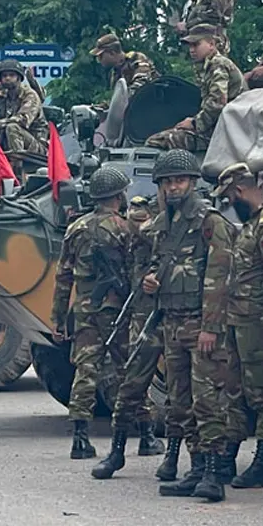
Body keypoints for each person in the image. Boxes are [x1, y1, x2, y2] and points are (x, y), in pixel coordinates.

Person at [145, 149, 237, 503]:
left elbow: (220, 278)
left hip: (201, 325)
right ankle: (196, 468)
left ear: (193, 182)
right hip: (173, 322)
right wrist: (149, 281)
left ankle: (214, 473)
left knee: (207, 400)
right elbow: (155, 265)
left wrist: (211, 328)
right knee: (179, 401)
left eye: (179, 180)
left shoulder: (208, 221)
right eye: (167, 181)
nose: (173, 186)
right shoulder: (164, 223)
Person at [51, 167, 135, 460]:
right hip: (117, 311)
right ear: (118, 195)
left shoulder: (76, 228)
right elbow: (133, 272)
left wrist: (58, 319)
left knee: (86, 371)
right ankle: (146, 433)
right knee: (129, 370)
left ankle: (80, 437)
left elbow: (63, 278)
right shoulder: (124, 228)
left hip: (85, 310)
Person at [213, 163, 263, 489]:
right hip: (237, 319)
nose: (230, 203)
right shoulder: (251, 225)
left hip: (257, 321)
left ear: (240, 191)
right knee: (234, 391)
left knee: (262, 394)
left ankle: (262, 463)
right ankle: (228, 458)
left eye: (229, 197)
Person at [91, 194, 168, 481]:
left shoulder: (170, 231)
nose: (136, 221)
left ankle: (175, 457)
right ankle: (117, 451)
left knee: (185, 394)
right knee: (130, 386)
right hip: (142, 319)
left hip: (175, 317)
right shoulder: (135, 240)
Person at [144, 24, 246, 152]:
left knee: (157, 141)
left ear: (211, 44)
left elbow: (217, 103)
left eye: (196, 44)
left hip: (227, 132)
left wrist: (194, 123)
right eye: (190, 46)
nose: (191, 50)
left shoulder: (218, 64)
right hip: (223, 128)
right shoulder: (206, 67)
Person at [0, 59, 48, 161]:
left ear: (19, 78)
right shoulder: (3, 96)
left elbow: (23, 120)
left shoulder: (29, 95)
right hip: (12, 143)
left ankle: (17, 171)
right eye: (4, 76)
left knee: (12, 127)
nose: (7, 78)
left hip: (36, 146)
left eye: (11, 75)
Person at [90, 33, 159, 96]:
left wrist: (123, 98)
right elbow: (117, 99)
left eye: (101, 56)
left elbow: (141, 84)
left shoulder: (136, 58)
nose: (99, 60)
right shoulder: (115, 72)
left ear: (112, 53)